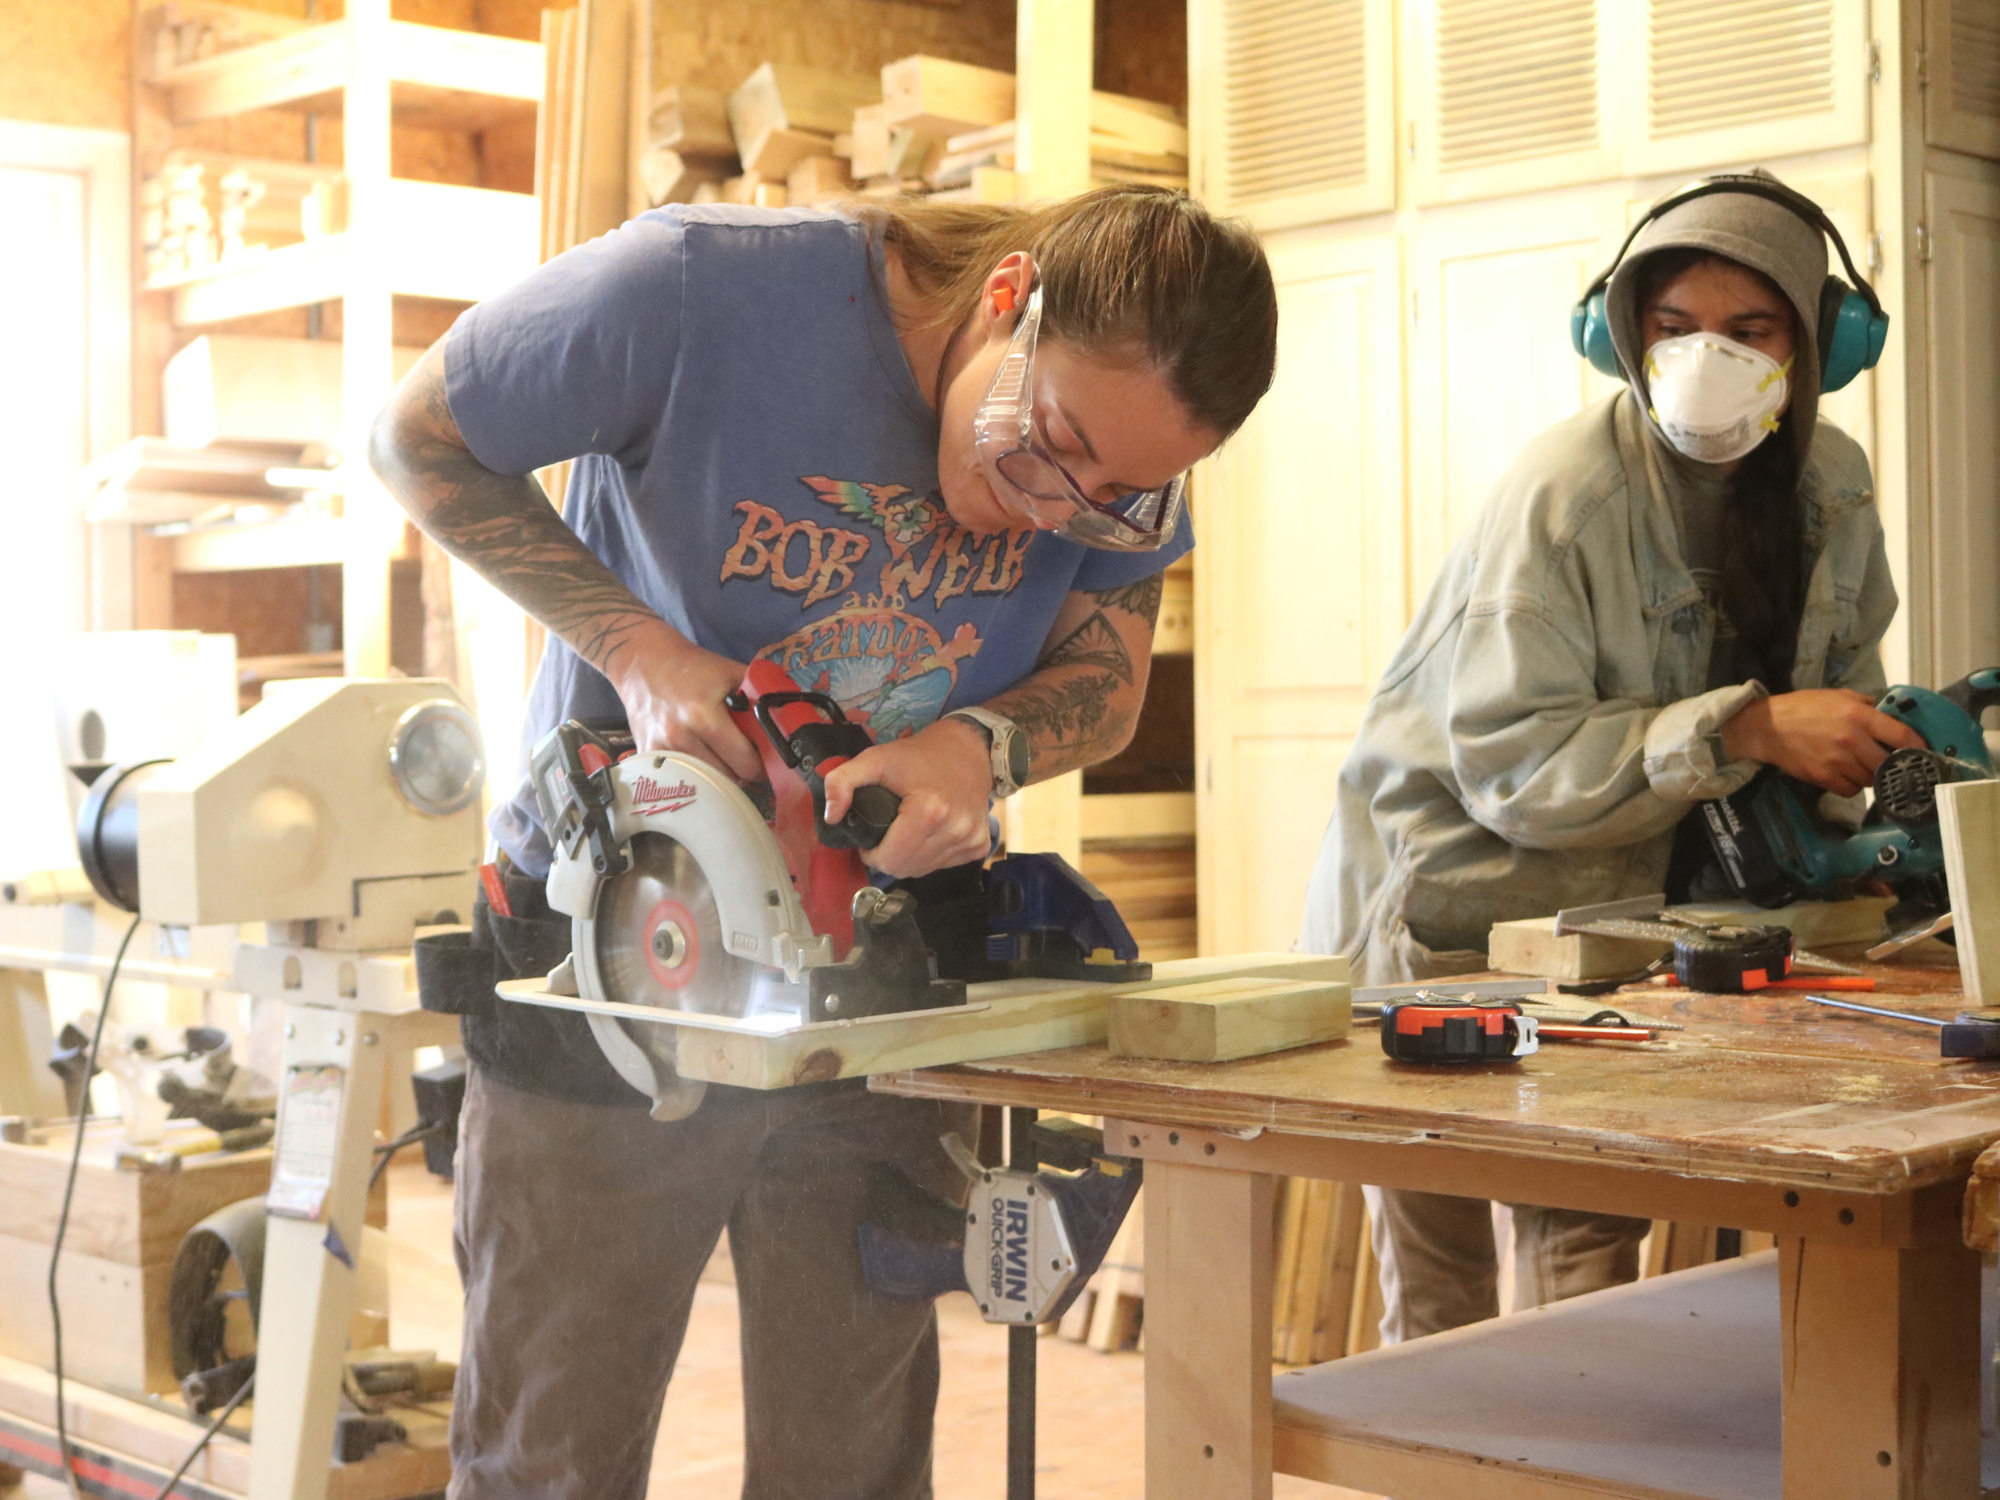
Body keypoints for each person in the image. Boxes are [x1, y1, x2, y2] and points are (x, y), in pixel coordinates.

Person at [369, 185, 1277, 1498]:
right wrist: (638, 651)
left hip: (875, 975)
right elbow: (416, 441)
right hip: (616, 960)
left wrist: (983, 747)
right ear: (1009, 298)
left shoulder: (1126, 446)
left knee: (847, 1465)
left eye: (1114, 495)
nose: (1053, 510)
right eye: (1052, 440)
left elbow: (1108, 677)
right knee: (550, 1457)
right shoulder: (697, 293)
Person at [1299, 171, 1919, 1344]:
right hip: (1444, 910)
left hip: (1621, 919)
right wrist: (1741, 728)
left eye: (1749, 332)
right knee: (1437, 1288)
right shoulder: (1565, 492)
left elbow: (1844, 697)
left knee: (1585, 1241)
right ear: (1620, 335)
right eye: (1672, 329)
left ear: (1816, 342)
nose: (1704, 359)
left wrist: (1858, 834)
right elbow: (1510, 764)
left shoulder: (1828, 488)